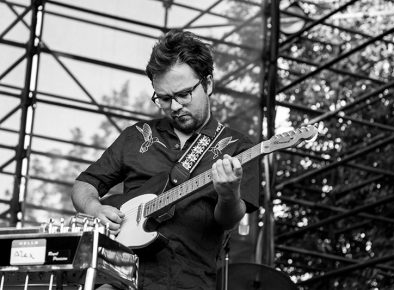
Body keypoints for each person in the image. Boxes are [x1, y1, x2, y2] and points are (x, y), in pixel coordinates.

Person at [71, 30, 259, 290]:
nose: (175, 107)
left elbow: (229, 219)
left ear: (208, 84)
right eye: (164, 98)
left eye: (184, 94)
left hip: (188, 281)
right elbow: (84, 184)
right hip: (120, 277)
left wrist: (228, 194)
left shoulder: (238, 146)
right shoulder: (137, 136)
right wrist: (94, 209)